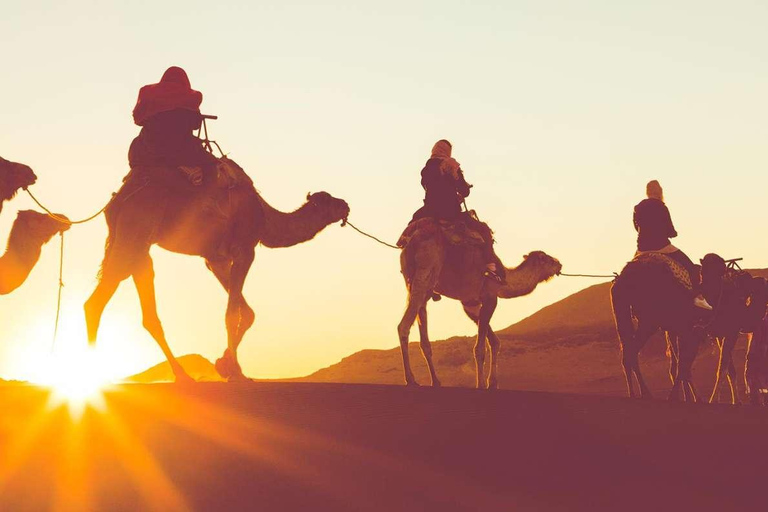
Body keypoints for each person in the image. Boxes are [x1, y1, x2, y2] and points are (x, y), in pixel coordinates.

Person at [411, 139, 503, 282]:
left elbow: (428, 187)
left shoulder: (426, 169)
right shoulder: (452, 165)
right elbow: (464, 191)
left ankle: (410, 264)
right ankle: (490, 268)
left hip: (430, 211)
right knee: (484, 230)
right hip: (451, 213)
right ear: (448, 152)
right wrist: (459, 186)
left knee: (412, 224)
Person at [128, 66, 218, 184]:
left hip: (146, 150)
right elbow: (195, 125)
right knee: (212, 165)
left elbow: (137, 119)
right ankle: (187, 169)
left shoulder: (147, 93)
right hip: (180, 150)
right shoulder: (190, 97)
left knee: (135, 151)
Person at [633, 180, 711, 309]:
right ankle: (698, 298)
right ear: (660, 192)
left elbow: (636, 227)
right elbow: (670, 230)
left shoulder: (637, 207)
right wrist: (674, 233)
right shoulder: (662, 207)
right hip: (662, 247)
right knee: (691, 267)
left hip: (642, 249)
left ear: (647, 192)